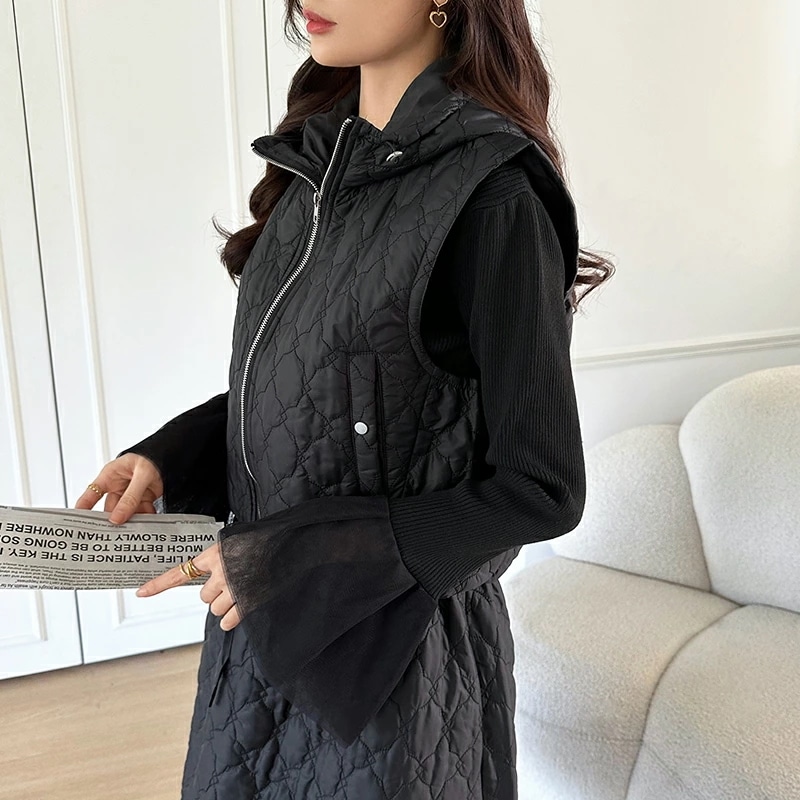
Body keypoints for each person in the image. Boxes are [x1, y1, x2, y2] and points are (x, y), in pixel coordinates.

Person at [74, 0, 614, 796]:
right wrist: (171, 455)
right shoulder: (311, 169)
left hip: (392, 666)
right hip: (256, 624)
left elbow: (542, 487)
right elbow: (317, 380)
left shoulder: (492, 194)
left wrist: (296, 559)